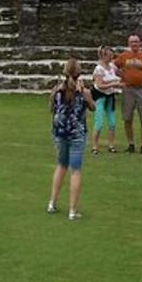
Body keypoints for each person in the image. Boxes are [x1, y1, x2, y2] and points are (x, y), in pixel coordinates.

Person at [48, 58, 96, 219]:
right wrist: (83, 93)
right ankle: (72, 211)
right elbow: (93, 107)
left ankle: (52, 203)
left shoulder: (56, 90)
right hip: (77, 134)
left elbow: (51, 109)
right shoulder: (83, 92)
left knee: (61, 165)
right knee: (75, 170)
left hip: (60, 133)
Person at [91, 45, 123, 154]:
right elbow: (99, 85)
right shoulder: (98, 69)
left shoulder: (112, 67)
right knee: (99, 121)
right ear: (103, 56)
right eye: (109, 56)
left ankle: (111, 145)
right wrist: (113, 84)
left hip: (110, 95)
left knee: (112, 122)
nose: (111, 58)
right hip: (100, 96)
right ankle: (95, 146)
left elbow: (121, 75)